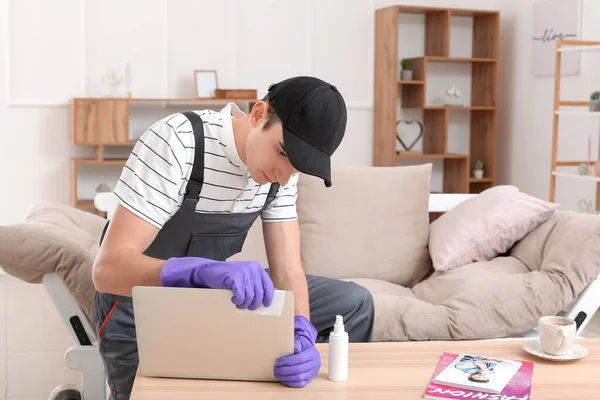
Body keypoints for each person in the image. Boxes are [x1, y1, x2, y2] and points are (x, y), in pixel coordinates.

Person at [92, 76, 375, 399]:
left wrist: (301, 331)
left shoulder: (281, 176)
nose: (284, 176)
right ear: (258, 114)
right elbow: (107, 271)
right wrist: (197, 272)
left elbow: (287, 271)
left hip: (209, 300)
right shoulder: (179, 142)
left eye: (297, 167)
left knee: (353, 302)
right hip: (137, 306)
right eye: (282, 152)